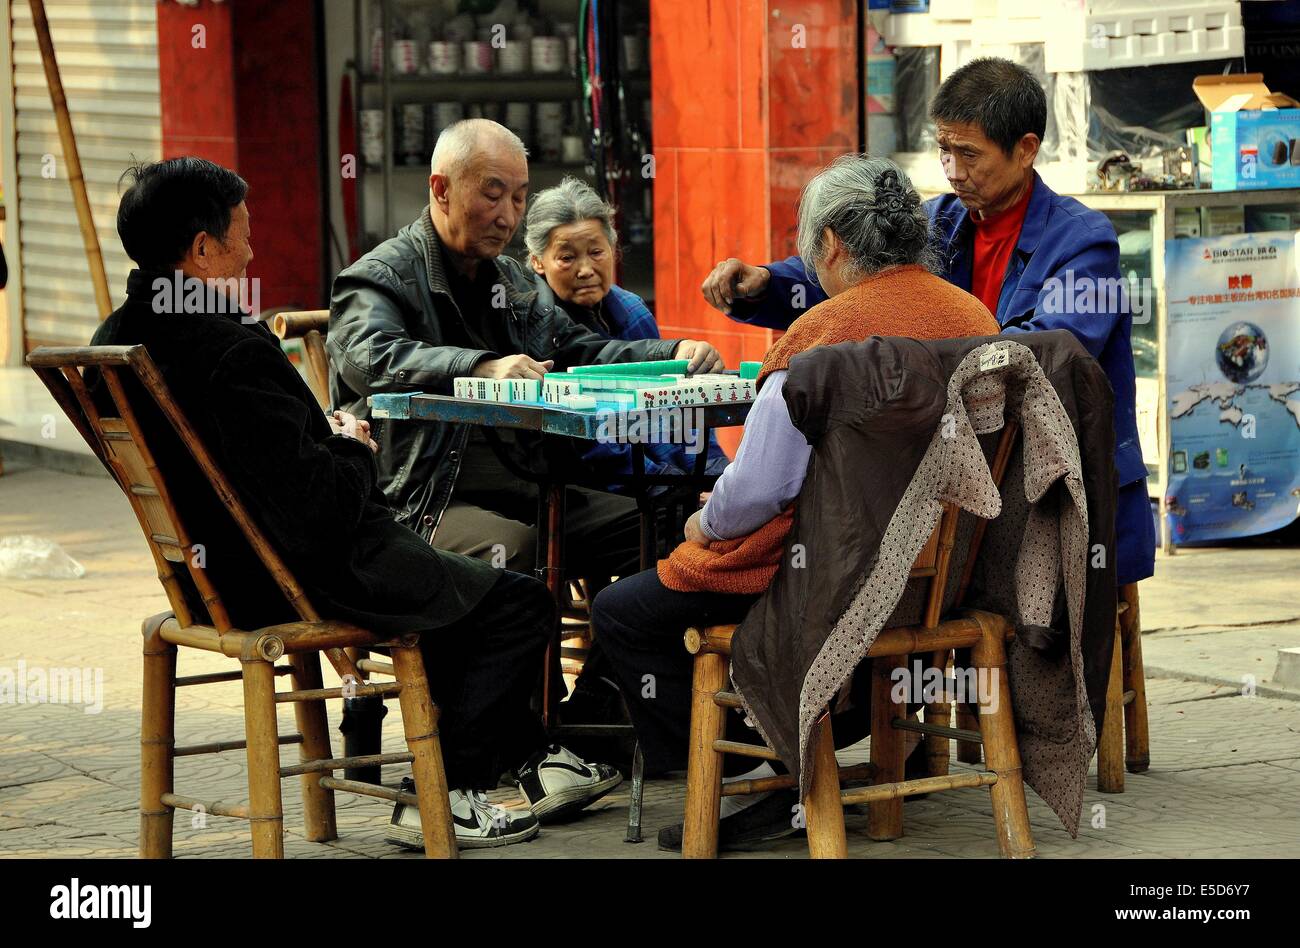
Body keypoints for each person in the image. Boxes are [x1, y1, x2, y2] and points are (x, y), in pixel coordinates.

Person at [90, 157, 621, 851]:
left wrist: (324, 443)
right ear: (201, 250)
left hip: (210, 574)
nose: (252, 250)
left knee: (466, 594)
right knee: (518, 606)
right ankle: (445, 792)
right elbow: (320, 510)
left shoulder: (117, 340)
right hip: (298, 569)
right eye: (243, 236)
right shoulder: (230, 351)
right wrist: (351, 446)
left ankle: (523, 762)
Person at [592, 155, 1001, 851]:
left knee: (622, 612)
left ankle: (766, 772)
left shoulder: (820, 336)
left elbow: (758, 491)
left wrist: (702, 521)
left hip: (832, 583)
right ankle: (800, 753)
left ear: (834, 243)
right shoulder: (973, 316)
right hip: (938, 582)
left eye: (813, 246)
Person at [700, 56, 1156, 592]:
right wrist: (765, 284)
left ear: (1026, 149)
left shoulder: (1083, 243)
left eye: (969, 154)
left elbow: (1039, 359)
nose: (953, 171)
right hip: (966, 483)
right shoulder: (941, 222)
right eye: (944, 151)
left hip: (1058, 493)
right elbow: (864, 268)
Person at [328, 120, 724, 721]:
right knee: (513, 549)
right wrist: (482, 364)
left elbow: (578, 350)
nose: (508, 213)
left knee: (679, 521)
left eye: (518, 196)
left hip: (531, 483)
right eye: (492, 193)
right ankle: (499, 738)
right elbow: (368, 356)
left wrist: (668, 354)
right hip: (418, 500)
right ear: (440, 189)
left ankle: (596, 709)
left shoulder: (512, 281)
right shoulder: (380, 276)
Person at [523, 176, 729, 492]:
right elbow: (598, 446)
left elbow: (681, 414)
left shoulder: (632, 311)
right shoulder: (537, 329)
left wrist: (718, 479)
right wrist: (678, 493)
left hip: (663, 479)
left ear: (612, 248)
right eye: (567, 257)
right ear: (538, 262)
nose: (585, 269)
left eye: (596, 252)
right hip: (591, 486)